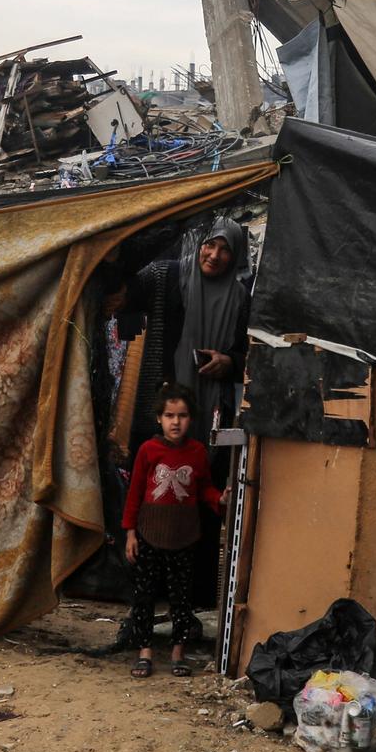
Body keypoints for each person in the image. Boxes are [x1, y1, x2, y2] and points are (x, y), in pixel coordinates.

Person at [120, 383, 223, 677]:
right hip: (149, 532)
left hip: (185, 535)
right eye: (169, 415)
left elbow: (204, 489)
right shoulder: (148, 450)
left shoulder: (197, 452)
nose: (175, 422)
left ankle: (179, 653)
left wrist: (221, 499)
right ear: (159, 418)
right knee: (145, 595)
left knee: (181, 598)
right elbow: (135, 492)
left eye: (182, 415)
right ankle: (145, 651)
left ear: (191, 419)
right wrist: (130, 533)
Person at [127, 216, 251, 447]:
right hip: (162, 408)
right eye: (210, 244)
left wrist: (230, 363)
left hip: (213, 411)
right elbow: (122, 295)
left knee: (205, 473)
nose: (214, 255)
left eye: (225, 250)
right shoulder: (164, 276)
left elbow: (252, 359)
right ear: (198, 243)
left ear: (234, 256)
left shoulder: (242, 300)